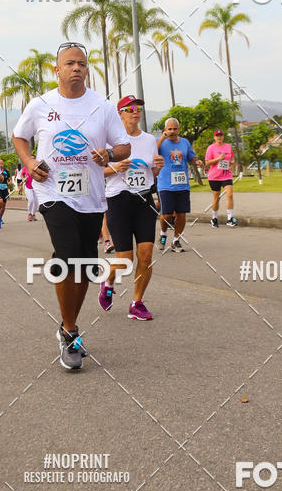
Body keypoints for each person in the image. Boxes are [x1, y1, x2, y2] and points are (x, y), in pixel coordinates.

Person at [12, 43, 130, 371]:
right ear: (57, 70)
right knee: (66, 256)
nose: (76, 68)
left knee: (85, 265)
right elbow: (19, 137)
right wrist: (29, 159)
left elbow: (123, 146)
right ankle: (71, 331)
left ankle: (67, 327)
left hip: (91, 195)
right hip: (53, 191)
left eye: (81, 63)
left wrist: (109, 154)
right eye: (69, 63)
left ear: (87, 69)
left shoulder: (102, 107)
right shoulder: (41, 104)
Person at [99, 95, 164, 320]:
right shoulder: (110, 143)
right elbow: (97, 172)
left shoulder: (149, 140)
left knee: (145, 255)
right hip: (118, 200)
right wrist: (116, 167)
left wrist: (157, 168)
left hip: (143, 200)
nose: (135, 112)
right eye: (130, 109)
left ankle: (137, 303)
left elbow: (150, 173)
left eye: (138, 108)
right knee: (125, 258)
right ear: (120, 114)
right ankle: (107, 282)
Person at [156, 118, 203, 252]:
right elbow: (152, 151)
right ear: (165, 130)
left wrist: (196, 161)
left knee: (182, 214)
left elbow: (191, 157)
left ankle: (176, 240)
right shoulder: (160, 142)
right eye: (169, 129)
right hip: (165, 184)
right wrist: (162, 138)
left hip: (182, 184)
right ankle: (163, 235)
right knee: (166, 214)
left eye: (175, 129)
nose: (172, 131)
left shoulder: (185, 142)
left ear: (179, 129)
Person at [205, 130, 237, 227]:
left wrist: (232, 162)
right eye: (217, 136)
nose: (219, 137)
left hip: (226, 175)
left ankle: (230, 219)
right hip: (214, 177)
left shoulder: (228, 146)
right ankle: (214, 218)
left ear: (223, 136)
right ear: (214, 137)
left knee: (230, 194)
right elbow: (207, 163)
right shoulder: (211, 148)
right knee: (216, 198)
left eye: (221, 135)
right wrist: (218, 158)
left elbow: (232, 158)